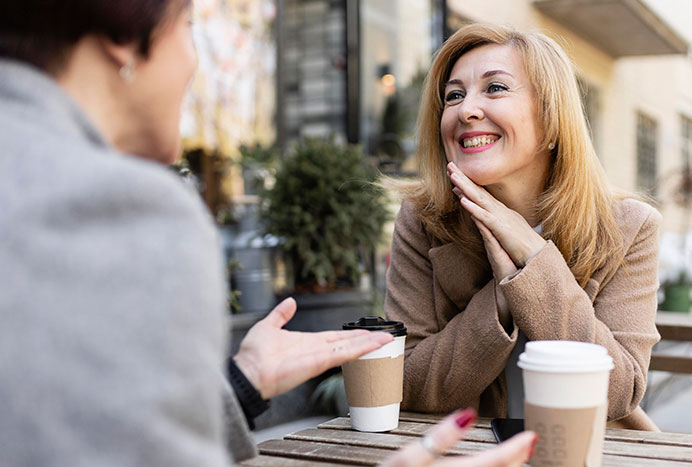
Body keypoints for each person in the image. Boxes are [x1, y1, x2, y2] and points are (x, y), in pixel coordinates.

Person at [0, 1, 538, 465]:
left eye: (496, 88)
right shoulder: (121, 207)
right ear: (123, 36)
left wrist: (240, 385)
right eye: (190, 27)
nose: (193, 67)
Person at [385, 23, 661, 431]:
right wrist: (501, 296)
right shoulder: (423, 220)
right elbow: (404, 383)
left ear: (551, 119)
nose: (466, 110)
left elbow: (618, 391)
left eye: (495, 88)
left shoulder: (629, 227)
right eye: (454, 96)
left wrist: (534, 259)